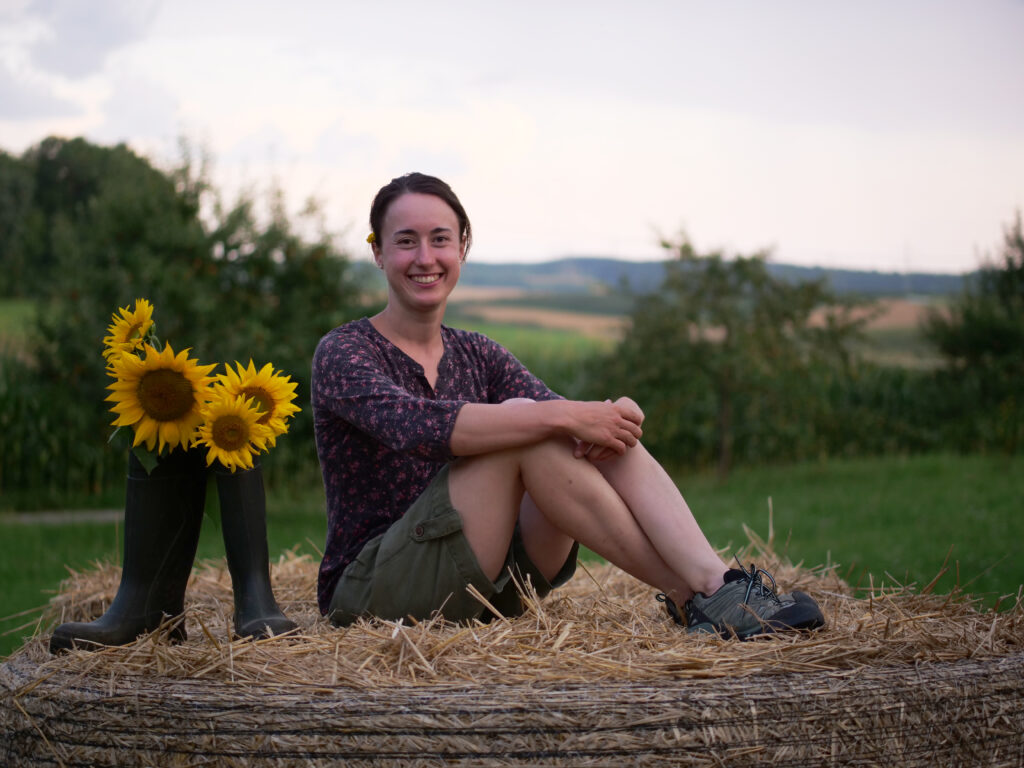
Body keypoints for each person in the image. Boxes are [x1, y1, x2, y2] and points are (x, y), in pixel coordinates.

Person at [311, 172, 825, 640]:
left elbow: (571, 420)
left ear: (463, 247)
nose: (425, 257)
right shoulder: (344, 352)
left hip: (491, 584)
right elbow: (417, 427)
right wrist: (565, 415)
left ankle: (716, 581)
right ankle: (694, 596)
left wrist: (613, 416)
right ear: (378, 253)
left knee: (571, 431)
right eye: (405, 241)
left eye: (440, 239)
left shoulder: (476, 351)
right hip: (375, 593)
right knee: (533, 429)